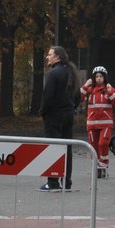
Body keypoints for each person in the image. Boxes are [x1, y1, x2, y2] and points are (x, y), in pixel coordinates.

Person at [39, 45, 80, 191]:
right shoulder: (71, 73)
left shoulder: (53, 74)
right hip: (68, 115)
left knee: (53, 147)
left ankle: (53, 181)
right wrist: (71, 108)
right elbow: (77, 95)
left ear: (58, 57)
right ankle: (67, 182)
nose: (47, 57)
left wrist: (43, 111)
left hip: (54, 116)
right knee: (66, 148)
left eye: (50, 54)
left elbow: (48, 96)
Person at [79, 66, 115, 178]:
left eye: (101, 76)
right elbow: (78, 98)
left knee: (102, 143)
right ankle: (96, 166)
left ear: (105, 78)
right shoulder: (90, 90)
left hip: (105, 123)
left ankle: (103, 165)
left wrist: (111, 91)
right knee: (93, 146)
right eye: (97, 76)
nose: (98, 78)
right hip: (92, 123)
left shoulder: (109, 90)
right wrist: (85, 85)